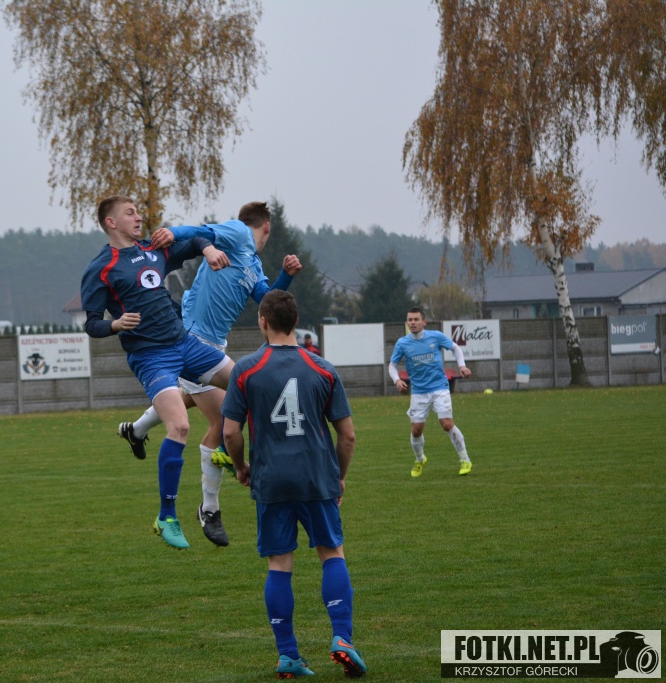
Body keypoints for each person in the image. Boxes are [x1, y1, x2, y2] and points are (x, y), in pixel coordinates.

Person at [116, 201, 302, 547]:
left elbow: (267, 300)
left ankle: (136, 430)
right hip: (191, 339)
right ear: (267, 227)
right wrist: (173, 233)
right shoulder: (239, 232)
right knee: (221, 421)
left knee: (187, 399)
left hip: (215, 345)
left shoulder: (253, 264)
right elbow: (202, 232)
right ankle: (209, 510)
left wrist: (287, 275)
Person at [221, 290, 366, 678]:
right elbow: (348, 435)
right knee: (331, 553)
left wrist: (241, 467)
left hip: (271, 479)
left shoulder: (245, 369)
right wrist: (340, 476)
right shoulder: (323, 368)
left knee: (279, 563)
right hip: (316, 477)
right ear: (296, 321)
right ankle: (342, 639)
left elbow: (230, 432)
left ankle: (288, 655)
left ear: (263, 321)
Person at [80, 195, 234, 550]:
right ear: (111, 223)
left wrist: (209, 250)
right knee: (179, 426)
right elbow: (91, 324)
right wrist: (115, 324)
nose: (139, 217)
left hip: (186, 343)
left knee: (248, 382)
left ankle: (227, 449)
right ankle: (166, 517)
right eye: (130, 213)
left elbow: (195, 242)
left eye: (138, 212)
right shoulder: (101, 268)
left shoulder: (153, 249)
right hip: (151, 357)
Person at [388, 306, 473, 477]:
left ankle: (465, 460)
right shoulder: (402, 343)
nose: (413, 322)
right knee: (416, 430)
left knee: (447, 424)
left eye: (416, 319)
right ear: (407, 322)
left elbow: (455, 348)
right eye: (410, 320)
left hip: (440, 387)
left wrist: (462, 366)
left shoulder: (435, 336)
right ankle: (420, 459)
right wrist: (397, 380)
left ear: (424, 322)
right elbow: (392, 365)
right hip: (419, 392)